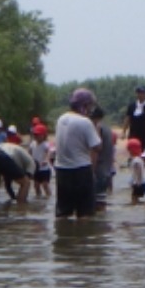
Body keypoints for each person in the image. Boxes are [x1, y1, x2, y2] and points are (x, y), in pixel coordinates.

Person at [52, 89, 101, 218]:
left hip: (62, 170)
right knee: (85, 213)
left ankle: (64, 236)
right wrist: (96, 128)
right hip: (81, 170)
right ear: (84, 105)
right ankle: (82, 236)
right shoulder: (85, 122)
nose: (91, 109)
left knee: (63, 212)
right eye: (89, 105)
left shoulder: (61, 119)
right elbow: (97, 147)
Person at [0, 132, 34, 204]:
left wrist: (13, 197)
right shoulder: (32, 163)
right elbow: (26, 179)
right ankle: (21, 208)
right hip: (3, 156)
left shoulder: (20, 157)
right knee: (26, 183)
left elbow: (7, 184)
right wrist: (16, 198)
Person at [126, 138, 145, 204]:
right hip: (143, 182)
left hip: (138, 183)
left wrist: (138, 182)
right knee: (136, 200)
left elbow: (139, 171)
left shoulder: (136, 160)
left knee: (134, 200)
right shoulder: (140, 158)